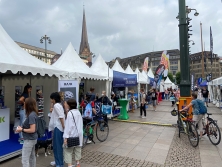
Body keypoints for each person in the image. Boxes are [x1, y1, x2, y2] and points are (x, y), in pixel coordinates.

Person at [16, 97, 38, 167]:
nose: (24, 103)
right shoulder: (33, 114)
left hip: (29, 140)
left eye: (25, 102)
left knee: (25, 159)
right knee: (32, 157)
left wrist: (21, 130)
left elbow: (32, 129)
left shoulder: (31, 115)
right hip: (32, 139)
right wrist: (22, 128)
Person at [63, 99, 83, 167]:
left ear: (69, 105)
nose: (65, 105)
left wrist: (66, 137)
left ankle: (69, 165)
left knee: (68, 151)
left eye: (66, 104)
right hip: (79, 135)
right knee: (77, 150)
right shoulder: (78, 112)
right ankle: (78, 164)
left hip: (71, 135)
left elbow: (68, 126)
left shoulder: (70, 113)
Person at [48, 92, 65, 167]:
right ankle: (57, 161)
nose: (50, 100)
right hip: (57, 127)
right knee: (56, 146)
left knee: (57, 146)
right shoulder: (57, 105)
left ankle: (59, 163)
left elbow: (61, 116)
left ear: (54, 99)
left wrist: (63, 126)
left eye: (51, 99)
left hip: (58, 127)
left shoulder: (57, 106)